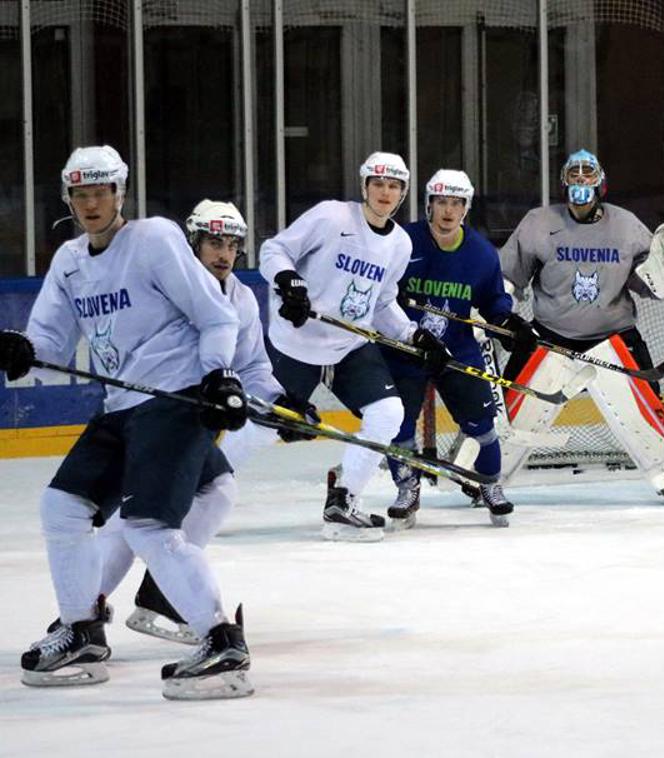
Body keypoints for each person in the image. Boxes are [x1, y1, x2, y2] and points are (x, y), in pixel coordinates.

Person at [0, 146, 253, 699]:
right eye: (80, 195)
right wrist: (21, 348)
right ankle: (81, 629)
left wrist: (220, 377)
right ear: (69, 198)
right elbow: (51, 339)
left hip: (174, 396)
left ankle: (222, 641)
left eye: (101, 193)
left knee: (147, 527)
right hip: (120, 406)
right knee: (60, 506)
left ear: (120, 193)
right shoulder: (69, 260)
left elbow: (216, 315)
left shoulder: (155, 240)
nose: (91, 204)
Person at [98, 200, 319, 643]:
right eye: (214, 242)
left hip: (184, 424)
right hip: (144, 417)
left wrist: (282, 405)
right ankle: (93, 611)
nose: (223, 253)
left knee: (191, 499)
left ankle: (109, 606)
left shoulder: (239, 298)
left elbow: (252, 366)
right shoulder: (164, 290)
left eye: (232, 245)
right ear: (192, 243)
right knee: (152, 513)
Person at [257, 151, 451, 542]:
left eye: (394, 186)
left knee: (388, 413)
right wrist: (289, 282)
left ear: (403, 193)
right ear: (364, 186)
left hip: (349, 343)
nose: (385, 192)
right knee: (256, 429)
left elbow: (380, 303)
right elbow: (273, 250)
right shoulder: (332, 216)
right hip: (297, 340)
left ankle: (343, 502)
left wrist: (413, 334)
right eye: (378, 184)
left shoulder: (397, 243)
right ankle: (196, 492)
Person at [498, 149, 664, 502]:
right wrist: (500, 313)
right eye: (574, 175)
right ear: (563, 184)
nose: (581, 181)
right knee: (510, 411)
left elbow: (649, 282)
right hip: (550, 337)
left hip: (615, 336)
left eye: (587, 175)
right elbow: (507, 276)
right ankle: (485, 476)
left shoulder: (626, 226)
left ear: (601, 184)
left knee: (645, 409)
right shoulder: (538, 223)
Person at [382, 169, 536, 529]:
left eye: (456, 203)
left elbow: (495, 302)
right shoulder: (403, 242)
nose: (448, 211)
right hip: (407, 346)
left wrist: (509, 324)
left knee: (483, 425)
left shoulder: (481, 254)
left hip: (455, 349)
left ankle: (490, 485)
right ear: (429, 205)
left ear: (465, 208)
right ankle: (407, 488)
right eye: (441, 203)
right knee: (398, 424)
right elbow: (380, 289)